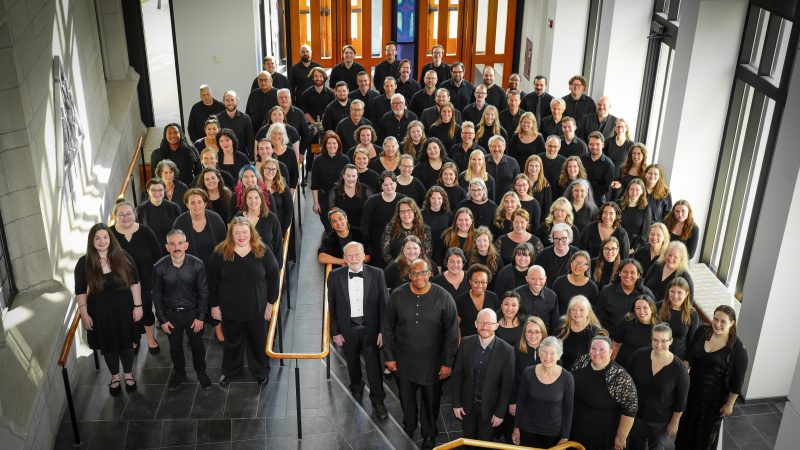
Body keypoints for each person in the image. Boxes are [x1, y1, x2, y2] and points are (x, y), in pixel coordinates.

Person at [383, 258, 459, 449]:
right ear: (409, 275)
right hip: (403, 361)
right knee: (406, 399)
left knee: (430, 402)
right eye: (414, 273)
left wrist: (447, 363)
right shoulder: (397, 295)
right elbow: (388, 328)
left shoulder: (444, 297)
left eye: (422, 272)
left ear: (429, 273)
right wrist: (389, 358)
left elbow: (451, 333)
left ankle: (429, 433)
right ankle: (408, 425)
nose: (418, 277)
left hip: (432, 363)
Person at [207, 217, 279, 386]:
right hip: (230, 309)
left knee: (258, 342)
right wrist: (214, 305)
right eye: (237, 232)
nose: (241, 236)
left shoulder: (263, 250)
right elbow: (212, 280)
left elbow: (274, 278)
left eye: (244, 232)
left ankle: (261, 371)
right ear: (231, 234)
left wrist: (270, 304)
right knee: (231, 343)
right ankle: (230, 371)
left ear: (251, 233)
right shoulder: (220, 252)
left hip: (257, 309)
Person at [75, 224, 142, 395]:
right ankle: (114, 377)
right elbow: (80, 290)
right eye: (97, 238)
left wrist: (138, 306)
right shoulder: (84, 263)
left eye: (105, 237)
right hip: (100, 312)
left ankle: (128, 374)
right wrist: (84, 313)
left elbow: (135, 282)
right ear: (92, 241)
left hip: (124, 308)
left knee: (127, 343)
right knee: (109, 346)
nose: (102, 241)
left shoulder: (123, 256)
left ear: (110, 239)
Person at [328, 242, 389, 418]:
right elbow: (331, 307)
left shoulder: (377, 274)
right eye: (349, 255)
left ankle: (378, 400)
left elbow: (384, 306)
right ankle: (356, 386)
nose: (354, 259)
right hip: (347, 329)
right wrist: (335, 332)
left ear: (364, 256)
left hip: (370, 328)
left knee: (374, 366)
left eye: (357, 255)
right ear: (344, 258)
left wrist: (382, 331)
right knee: (351, 361)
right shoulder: (334, 276)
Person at [675, 305, 748, 449]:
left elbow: (737, 381)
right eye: (715, 319)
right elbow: (689, 356)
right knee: (685, 429)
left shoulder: (738, 349)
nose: (718, 324)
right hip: (692, 392)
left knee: (703, 437)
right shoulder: (702, 331)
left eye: (723, 321)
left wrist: (729, 404)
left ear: (732, 323)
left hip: (713, 402)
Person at [152, 229, 212, 390]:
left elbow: (204, 292)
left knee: (197, 346)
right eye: (172, 244)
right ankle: (179, 373)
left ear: (186, 245)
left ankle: (201, 372)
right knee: (175, 347)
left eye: (180, 243)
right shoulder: (159, 267)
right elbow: (156, 295)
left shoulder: (197, 264)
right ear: (167, 247)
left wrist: (201, 317)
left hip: (193, 314)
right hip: (171, 315)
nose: (176, 247)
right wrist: (162, 320)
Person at [452, 308, 515, 442]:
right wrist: (456, 403)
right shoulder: (465, 343)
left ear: (496, 325)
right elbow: (457, 375)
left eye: (489, 323)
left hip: (490, 409)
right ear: (475, 324)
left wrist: (500, 413)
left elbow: (507, 386)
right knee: (468, 440)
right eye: (481, 322)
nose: (485, 326)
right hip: (467, 406)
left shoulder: (507, 350)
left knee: (485, 442)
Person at [627, 323, 690, 450]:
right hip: (636, 415)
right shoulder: (638, 356)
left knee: (656, 447)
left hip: (660, 422)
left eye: (663, 341)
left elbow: (681, 400)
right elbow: (627, 382)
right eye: (655, 340)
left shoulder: (680, 369)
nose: (658, 344)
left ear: (671, 341)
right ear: (651, 339)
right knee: (634, 445)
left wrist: (674, 422)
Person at [111, 202, 162, 354]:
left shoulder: (145, 231)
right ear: (115, 216)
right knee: (127, 313)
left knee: (146, 310)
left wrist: (157, 282)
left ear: (134, 214)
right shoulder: (110, 234)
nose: (125, 217)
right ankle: (134, 340)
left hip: (146, 281)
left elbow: (158, 257)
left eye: (128, 213)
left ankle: (150, 339)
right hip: (121, 284)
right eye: (121, 214)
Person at [571, 334, 637, 450]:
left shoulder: (620, 377)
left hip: (600, 435)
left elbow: (630, 410)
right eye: (593, 348)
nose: (597, 353)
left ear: (611, 351)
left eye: (602, 350)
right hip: (575, 428)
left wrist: (621, 437)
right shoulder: (581, 361)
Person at [513, 336, 574, 447]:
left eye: (552, 353)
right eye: (544, 352)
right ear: (539, 353)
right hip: (528, 429)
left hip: (553, 433)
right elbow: (521, 402)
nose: (547, 357)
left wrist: (565, 436)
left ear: (559, 355)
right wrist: (516, 428)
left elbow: (568, 410)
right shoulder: (528, 372)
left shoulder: (567, 377)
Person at [508, 316, 548, 442]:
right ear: (524, 333)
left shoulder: (551, 352)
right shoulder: (515, 350)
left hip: (544, 403)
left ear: (543, 332)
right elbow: (512, 379)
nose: (533, 335)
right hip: (522, 402)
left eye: (537, 332)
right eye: (529, 331)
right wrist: (512, 402)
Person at [361, 171, 407, 268]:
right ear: (381, 186)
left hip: (398, 241)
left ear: (396, 183)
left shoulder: (403, 199)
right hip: (376, 243)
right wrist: (365, 247)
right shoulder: (372, 200)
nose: (389, 187)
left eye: (391, 184)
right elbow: (364, 224)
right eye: (385, 185)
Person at [596, 259, 655, 330]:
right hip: (610, 336)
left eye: (632, 272)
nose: (628, 275)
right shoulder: (607, 291)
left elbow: (654, 316)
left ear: (638, 275)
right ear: (619, 273)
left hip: (637, 335)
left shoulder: (646, 293)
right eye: (625, 272)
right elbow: (598, 316)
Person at [172, 188, 227, 265]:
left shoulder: (216, 219)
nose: (196, 206)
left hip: (214, 266)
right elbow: (175, 248)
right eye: (192, 203)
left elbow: (223, 245)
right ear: (187, 205)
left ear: (205, 204)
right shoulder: (180, 222)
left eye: (199, 202)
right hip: (189, 268)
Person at [311, 131, 350, 228]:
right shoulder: (318, 161)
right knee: (328, 226)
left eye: (334, 143)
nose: (332, 146)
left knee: (342, 225)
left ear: (338, 144)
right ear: (325, 145)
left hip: (341, 197)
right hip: (324, 199)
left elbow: (350, 180)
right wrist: (316, 203)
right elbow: (314, 183)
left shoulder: (345, 159)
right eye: (329, 143)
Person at [237, 186, 283, 265]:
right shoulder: (238, 219)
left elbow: (278, 245)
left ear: (261, 199)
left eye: (256, 198)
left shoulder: (272, 218)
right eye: (249, 198)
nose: (253, 201)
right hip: (245, 266)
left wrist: (278, 268)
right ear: (245, 200)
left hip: (268, 265)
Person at [612, 296, 661, 370]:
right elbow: (616, 345)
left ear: (652, 309)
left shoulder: (659, 328)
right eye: (638, 308)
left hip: (645, 369)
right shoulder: (626, 321)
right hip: (623, 367)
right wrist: (611, 364)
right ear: (634, 310)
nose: (641, 311)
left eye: (645, 307)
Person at [657, 277, 699, 362]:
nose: (675, 296)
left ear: (687, 294)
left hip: (677, 358)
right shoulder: (658, 307)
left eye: (679, 292)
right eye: (672, 291)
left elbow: (692, 342)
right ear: (668, 291)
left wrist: (687, 361)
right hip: (657, 353)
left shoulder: (692, 314)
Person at [381, 197, 432, 264]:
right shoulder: (390, 228)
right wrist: (398, 265)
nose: (406, 214)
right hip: (396, 267)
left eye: (409, 210)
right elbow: (385, 252)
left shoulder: (425, 229)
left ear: (415, 211)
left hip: (418, 268)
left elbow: (427, 253)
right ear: (398, 214)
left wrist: (414, 266)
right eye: (402, 211)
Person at [558, 295, 603, 370]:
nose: (577, 313)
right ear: (569, 311)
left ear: (588, 312)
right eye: (573, 309)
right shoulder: (562, 324)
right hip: (560, 371)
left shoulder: (595, 331)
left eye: (582, 310)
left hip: (582, 373)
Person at [137, 177, 182, 249]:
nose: (157, 193)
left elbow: (180, 230)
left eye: (160, 190)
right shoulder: (141, 209)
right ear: (148, 191)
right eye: (153, 190)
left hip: (171, 248)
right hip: (150, 248)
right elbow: (139, 231)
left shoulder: (174, 207)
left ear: (164, 190)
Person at [456, 265, 499, 338]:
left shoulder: (493, 297)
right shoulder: (461, 300)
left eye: (483, 282)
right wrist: (460, 343)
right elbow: (456, 325)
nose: (480, 285)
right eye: (476, 282)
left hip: (489, 342)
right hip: (468, 343)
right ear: (470, 282)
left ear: (487, 282)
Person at [514, 265, 560, 332]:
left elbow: (555, 323)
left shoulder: (552, 296)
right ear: (527, 279)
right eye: (533, 279)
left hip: (544, 337)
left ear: (545, 279)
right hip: (521, 336)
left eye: (541, 279)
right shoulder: (516, 294)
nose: (537, 283)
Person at [552, 251, 599, 315]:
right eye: (575, 262)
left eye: (582, 263)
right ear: (571, 264)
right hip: (561, 322)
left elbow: (592, 312)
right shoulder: (559, 282)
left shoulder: (592, 287)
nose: (577, 266)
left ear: (587, 267)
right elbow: (552, 306)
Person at [536, 223, 580, 287]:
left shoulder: (577, 254)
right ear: (552, 239)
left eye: (563, 238)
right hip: (550, 293)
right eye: (556, 239)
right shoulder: (543, 255)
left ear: (569, 238)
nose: (560, 242)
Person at [619, 178, 654, 252]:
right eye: (631, 189)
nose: (634, 192)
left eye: (637, 190)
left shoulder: (646, 208)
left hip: (634, 246)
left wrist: (634, 248)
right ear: (628, 190)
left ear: (642, 192)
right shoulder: (619, 204)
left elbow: (645, 233)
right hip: (617, 242)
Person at [580, 131, 616, 203]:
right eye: (591, 144)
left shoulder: (609, 164)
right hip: (580, 196)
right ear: (588, 144)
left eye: (597, 144)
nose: (594, 147)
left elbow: (606, 187)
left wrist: (589, 195)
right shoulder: (581, 160)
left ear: (603, 145)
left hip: (597, 201)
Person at [260, 157, 294, 233]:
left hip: (278, 228)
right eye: (267, 168)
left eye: (273, 169)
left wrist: (281, 231)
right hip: (261, 229)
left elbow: (289, 211)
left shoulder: (283, 187)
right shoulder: (257, 187)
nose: (270, 171)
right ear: (263, 169)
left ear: (277, 171)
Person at [215, 91, 254, 155]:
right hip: (223, 156)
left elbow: (250, 140)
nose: (230, 103)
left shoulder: (245, 118)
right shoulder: (217, 118)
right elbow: (215, 139)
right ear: (223, 102)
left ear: (237, 101)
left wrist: (251, 158)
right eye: (227, 100)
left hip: (242, 156)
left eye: (232, 100)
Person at [421, 185, 452, 264]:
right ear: (429, 199)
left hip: (442, 252)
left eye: (439, 198)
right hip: (425, 252)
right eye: (433, 198)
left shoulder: (449, 214)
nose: (436, 201)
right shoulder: (421, 214)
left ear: (443, 199)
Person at [486, 136, 521, 203]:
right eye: (493, 146)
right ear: (489, 147)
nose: (496, 149)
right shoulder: (482, 161)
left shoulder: (513, 162)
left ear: (504, 147)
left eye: (499, 146)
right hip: (486, 201)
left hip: (507, 202)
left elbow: (518, 183)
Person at [268, 123, 300, 192]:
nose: (277, 136)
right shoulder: (267, 152)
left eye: (280, 134)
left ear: (283, 136)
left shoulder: (290, 152)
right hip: (269, 191)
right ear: (270, 135)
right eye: (274, 133)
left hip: (286, 191)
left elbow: (295, 175)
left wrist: (291, 193)